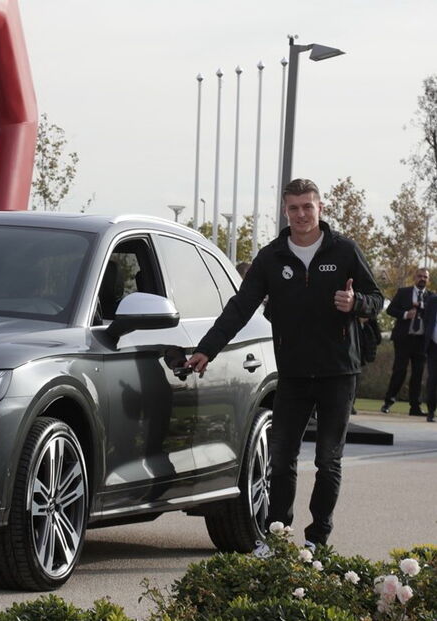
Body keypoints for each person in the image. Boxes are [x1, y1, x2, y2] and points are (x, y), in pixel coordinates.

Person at [185, 178, 383, 549]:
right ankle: (277, 537)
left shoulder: (344, 251)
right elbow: (240, 308)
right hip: (292, 374)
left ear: (320, 208)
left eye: (308, 206)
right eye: (294, 208)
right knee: (281, 460)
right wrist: (207, 349)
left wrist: (356, 303)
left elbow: (377, 298)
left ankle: (317, 541)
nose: (301, 214)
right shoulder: (272, 257)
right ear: (284, 211)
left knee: (328, 460)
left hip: (339, 373)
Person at [381, 268, 430, 415]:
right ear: (415, 277)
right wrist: (405, 314)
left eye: (425, 277)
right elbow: (390, 310)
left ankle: (415, 407)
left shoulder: (431, 297)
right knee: (399, 371)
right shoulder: (404, 292)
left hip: (421, 341)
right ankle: (388, 402)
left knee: (418, 374)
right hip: (404, 339)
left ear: (428, 280)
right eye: (420, 276)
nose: (422, 279)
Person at [421, 291, 437, 423]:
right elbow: (426, 320)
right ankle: (431, 411)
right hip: (433, 347)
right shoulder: (432, 301)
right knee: (433, 379)